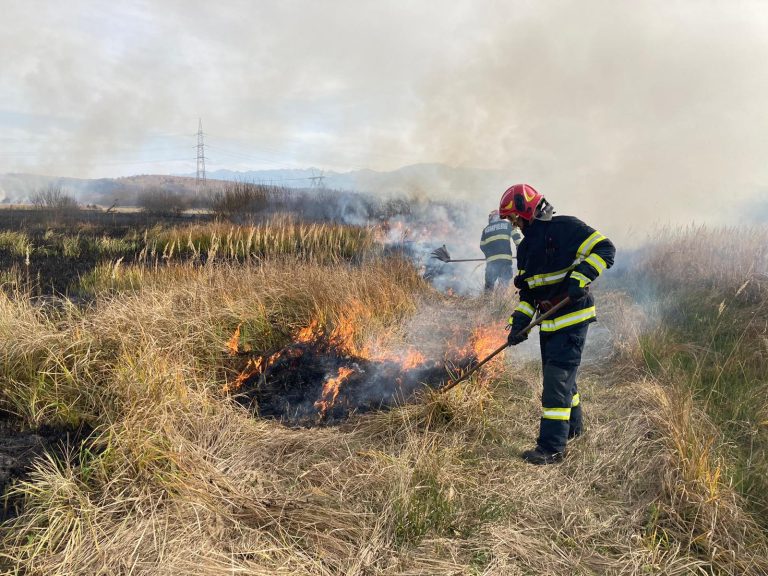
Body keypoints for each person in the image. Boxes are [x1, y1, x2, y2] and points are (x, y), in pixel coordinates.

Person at [500, 184, 615, 465]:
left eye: (515, 218)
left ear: (528, 210)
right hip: (548, 325)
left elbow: (605, 249)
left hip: (573, 319)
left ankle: (551, 449)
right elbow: (529, 294)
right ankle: (574, 430)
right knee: (562, 380)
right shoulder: (525, 250)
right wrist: (519, 323)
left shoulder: (566, 228)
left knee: (556, 383)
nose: (514, 225)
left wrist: (580, 278)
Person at [480, 209, 522, 291]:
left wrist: (489, 256)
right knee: (503, 286)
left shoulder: (486, 230)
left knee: (489, 287)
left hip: (491, 263)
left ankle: (487, 302)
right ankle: (501, 302)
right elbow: (517, 240)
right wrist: (521, 252)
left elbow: (482, 246)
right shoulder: (507, 225)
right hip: (505, 261)